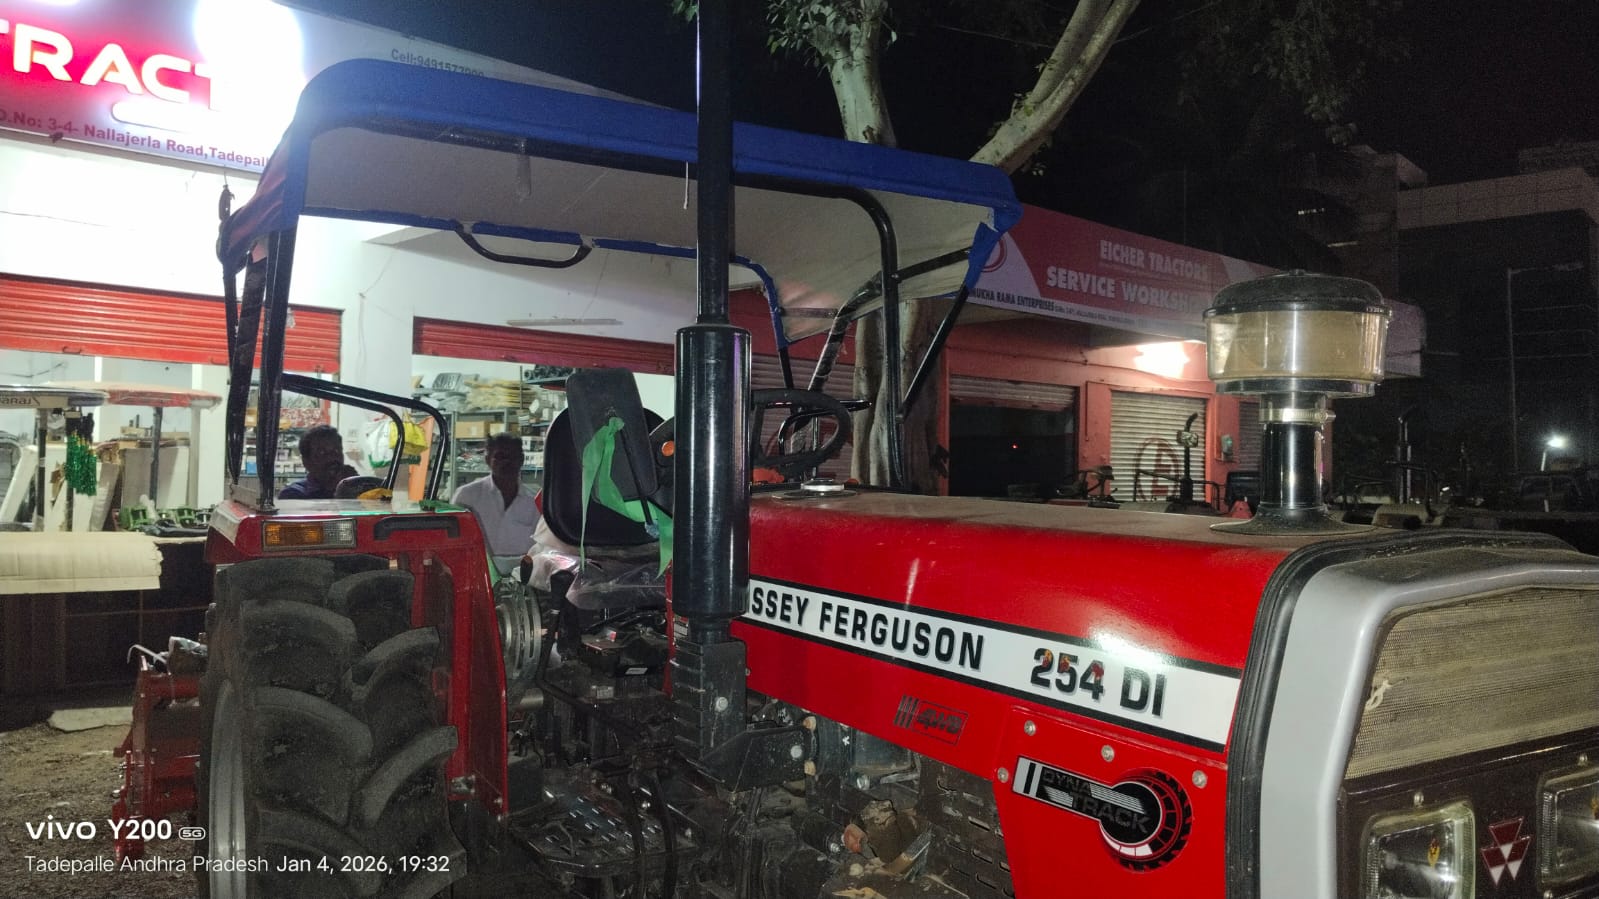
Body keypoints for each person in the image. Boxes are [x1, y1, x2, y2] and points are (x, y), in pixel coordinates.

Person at [453, 431, 540, 575]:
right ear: (487, 459)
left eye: (512, 457)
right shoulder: (467, 496)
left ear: (522, 460)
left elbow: (542, 547)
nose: (506, 462)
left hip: (523, 580)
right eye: (500, 456)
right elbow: (455, 544)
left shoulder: (535, 501)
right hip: (477, 577)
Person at [278, 424, 357, 500]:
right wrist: (334, 489)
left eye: (336, 450)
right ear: (306, 462)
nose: (332, 457)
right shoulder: (292, 494)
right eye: (322, 453)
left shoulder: (350, 486)